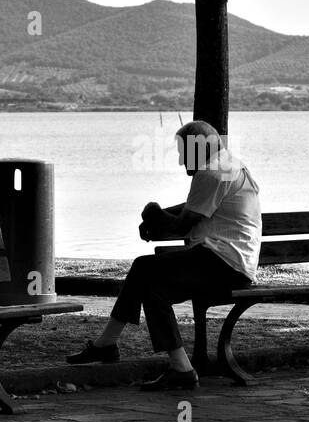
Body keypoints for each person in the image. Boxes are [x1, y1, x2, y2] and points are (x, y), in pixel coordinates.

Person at [65, 119, 261, 390]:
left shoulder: (211, 172)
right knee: (148, 279)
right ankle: (112, 346)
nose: (181, 161)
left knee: (145, 270)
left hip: (222, 263)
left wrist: (154, 214)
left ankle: (165, 364)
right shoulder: (228, 164)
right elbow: (194, 207)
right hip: (231, 263)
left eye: (183, 151)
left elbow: (183, 223)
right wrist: (158, 217)